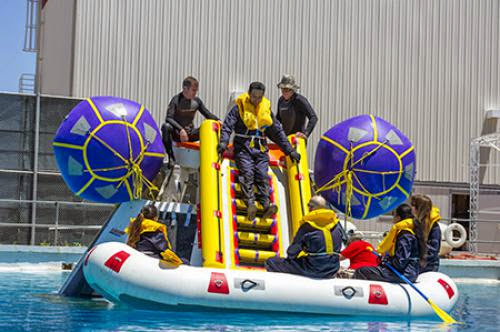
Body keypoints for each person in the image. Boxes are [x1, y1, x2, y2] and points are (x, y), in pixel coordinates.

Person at [217, 81, 301, 220]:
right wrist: (223, 142)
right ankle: (250, 203)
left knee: (262, 174)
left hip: (260, 147)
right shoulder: (239, 108)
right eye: (254, 96)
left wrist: (289, 150)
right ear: (249, 94)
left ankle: (266, 204)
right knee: (247, 173)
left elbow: (277, 132)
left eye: (259, 97)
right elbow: (227, 126)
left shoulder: (266, 110)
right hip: (243, 146)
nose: (256, 100)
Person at [264, 195, 343, 279]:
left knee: (271, 262)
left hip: (314, 269)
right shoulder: (336, 225)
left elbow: (292, 252)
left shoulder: (307, 226)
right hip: (333, 269)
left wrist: (296, 256)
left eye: (309, 205)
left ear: (311, 208)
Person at [353, 203, 427, 283]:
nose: (393, 218)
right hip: (408, 272)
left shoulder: (405, 235)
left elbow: (400, 262)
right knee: (369, 269)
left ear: (398, 218)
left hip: (405, 274)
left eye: (394, 215)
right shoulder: (410, 232)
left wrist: (386, 260)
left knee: (361, 271)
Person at [161, 76, 220, 167]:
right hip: (177, 134)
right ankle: (171, 157)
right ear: (185, 89)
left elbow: (207, 114)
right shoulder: (176, 100)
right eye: (193, 90)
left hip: (190, 133)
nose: (195, 93)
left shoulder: (196, 101)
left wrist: (218, 121)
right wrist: (181, 130)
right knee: (165, 127)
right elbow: (168, 118)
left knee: (208, 127)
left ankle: (211, 159)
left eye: (196, 90)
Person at [276, 75, 318, 139]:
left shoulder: (300, 100)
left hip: (298, 139)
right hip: (286, 139)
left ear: (293, 90)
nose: (284, 92)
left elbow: (313, 117)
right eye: (282, 89)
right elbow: (278, 119)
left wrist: (306, 133)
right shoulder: (281, 100)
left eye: (287, 89)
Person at [412, 194, 442, 273]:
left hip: (428, 265)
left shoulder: (434, 227)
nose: (411, 207)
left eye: (413, 205)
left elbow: (433, 250)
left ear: (419, 208)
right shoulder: (414, 223)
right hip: (416, 262)